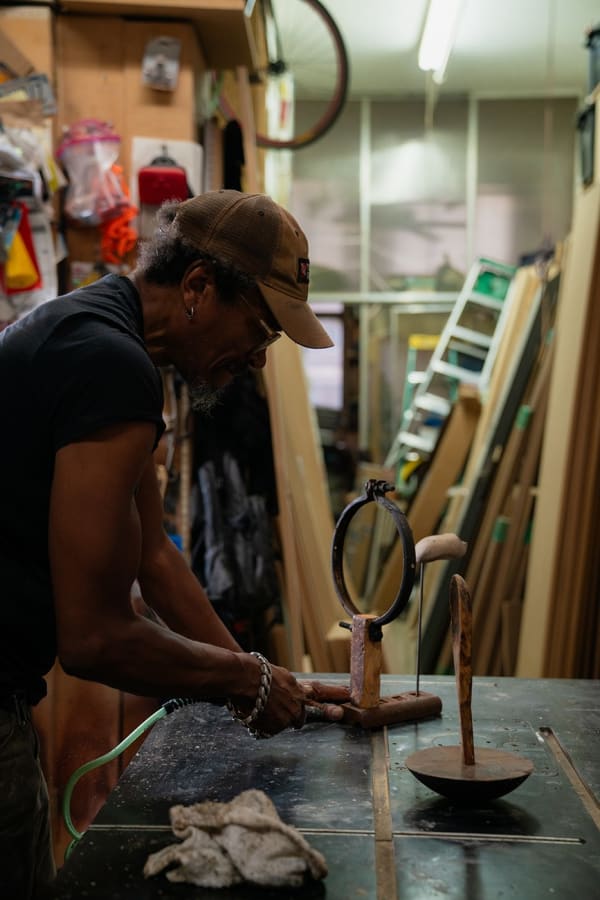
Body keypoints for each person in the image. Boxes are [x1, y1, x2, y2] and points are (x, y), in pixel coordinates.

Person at [0, 189, 351, 898]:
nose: (257, 360)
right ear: (197, 287)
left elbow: (156, 557)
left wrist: (253, 679)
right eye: (260, 328)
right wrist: (243, 684)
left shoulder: (98, 331)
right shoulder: (110, 365)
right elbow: (94, 638)